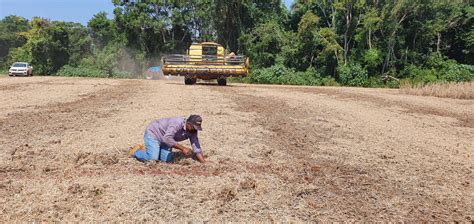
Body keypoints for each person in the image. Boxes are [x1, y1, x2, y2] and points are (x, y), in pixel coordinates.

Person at [128, 115, 206, 163]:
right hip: (154, 134)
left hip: (165, 139)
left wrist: (204, 162)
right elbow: (167, 138)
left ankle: (150, 150)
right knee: (152, 159)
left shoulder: (193, 131)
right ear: (188, 124)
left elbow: (196, 146)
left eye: (197, 128)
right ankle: (135, 152)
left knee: (166, 160)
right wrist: (183, 148)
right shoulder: (177, 123)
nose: (195, 130)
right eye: (194, 127)